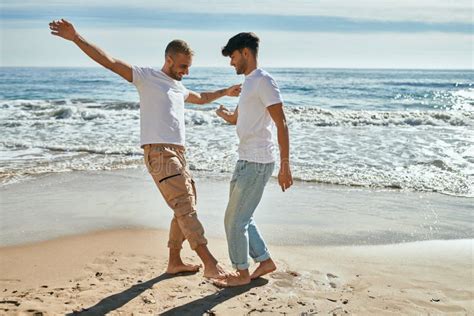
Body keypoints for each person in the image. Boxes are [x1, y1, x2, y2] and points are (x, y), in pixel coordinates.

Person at [49, 19, 241, 279]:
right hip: (159, 153)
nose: (186, 71)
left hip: (178, 153)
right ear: (169, 59)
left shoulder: (178, 86)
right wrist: (76, 37)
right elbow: (109, 61)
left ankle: (174, 261)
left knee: (186, 204)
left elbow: (200, 98)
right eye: (183, 66)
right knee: (185, 207)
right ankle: (210, 263)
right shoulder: (147, 77)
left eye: (189, 67)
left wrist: (225, 91)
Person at [214, 32, 293, 287]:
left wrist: (285, 166)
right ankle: (264, 261)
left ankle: (241, 274)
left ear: (246, 53)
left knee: (234, 220)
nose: (231, 62)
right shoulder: (248, 83)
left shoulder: (264, 81)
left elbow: (281, 123)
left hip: (258, 161)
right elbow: (240, 118)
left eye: (233, 56)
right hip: (245, 159)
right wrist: (226, 114)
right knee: (241, 217)